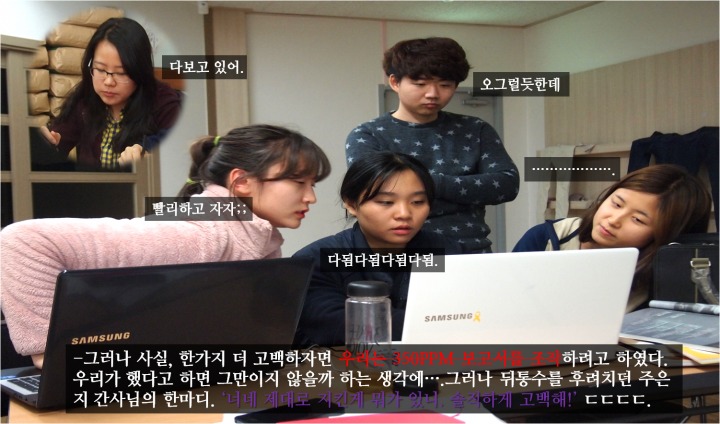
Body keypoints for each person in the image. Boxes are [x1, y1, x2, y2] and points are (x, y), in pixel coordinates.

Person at [0, 125, 330, 367]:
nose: (310, 197)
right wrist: (49, 352)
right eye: (299, 182)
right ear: (242, 182)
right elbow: (23, 240)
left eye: (312, 184)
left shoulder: (257, 237)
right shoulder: (200, 233)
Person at [345, 37, 519, 253]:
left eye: (445, 85)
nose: (433, 94)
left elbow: (507, 184)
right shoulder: (368, 135)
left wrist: (427, 186)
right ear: (395, 82)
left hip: (471, 250)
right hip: (403, 253)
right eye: (420, 84)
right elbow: (375, 194)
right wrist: (465, 191)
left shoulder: (476, 129)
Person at [293, 151, 464, 347]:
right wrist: (446, 324)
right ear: (351, 204)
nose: (404, 214)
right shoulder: (318, 259)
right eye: (386, 202)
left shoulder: (448, 252)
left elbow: (479, 311)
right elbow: (339, 325)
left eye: (417, 202)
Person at [513, 164, 712, 312]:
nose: (614, 220)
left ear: (664, 235)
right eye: (616, 204)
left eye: (638, 219)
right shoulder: (545, 238)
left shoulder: (665, 275)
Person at [40, 17, 182, 169]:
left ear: (140, 71)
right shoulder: (85, 98)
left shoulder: (164, 105)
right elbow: (59, 140)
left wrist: (148, 153)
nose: (108, 82)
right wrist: (49, 142)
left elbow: (177, 156)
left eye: (121, 73)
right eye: (100, 69)